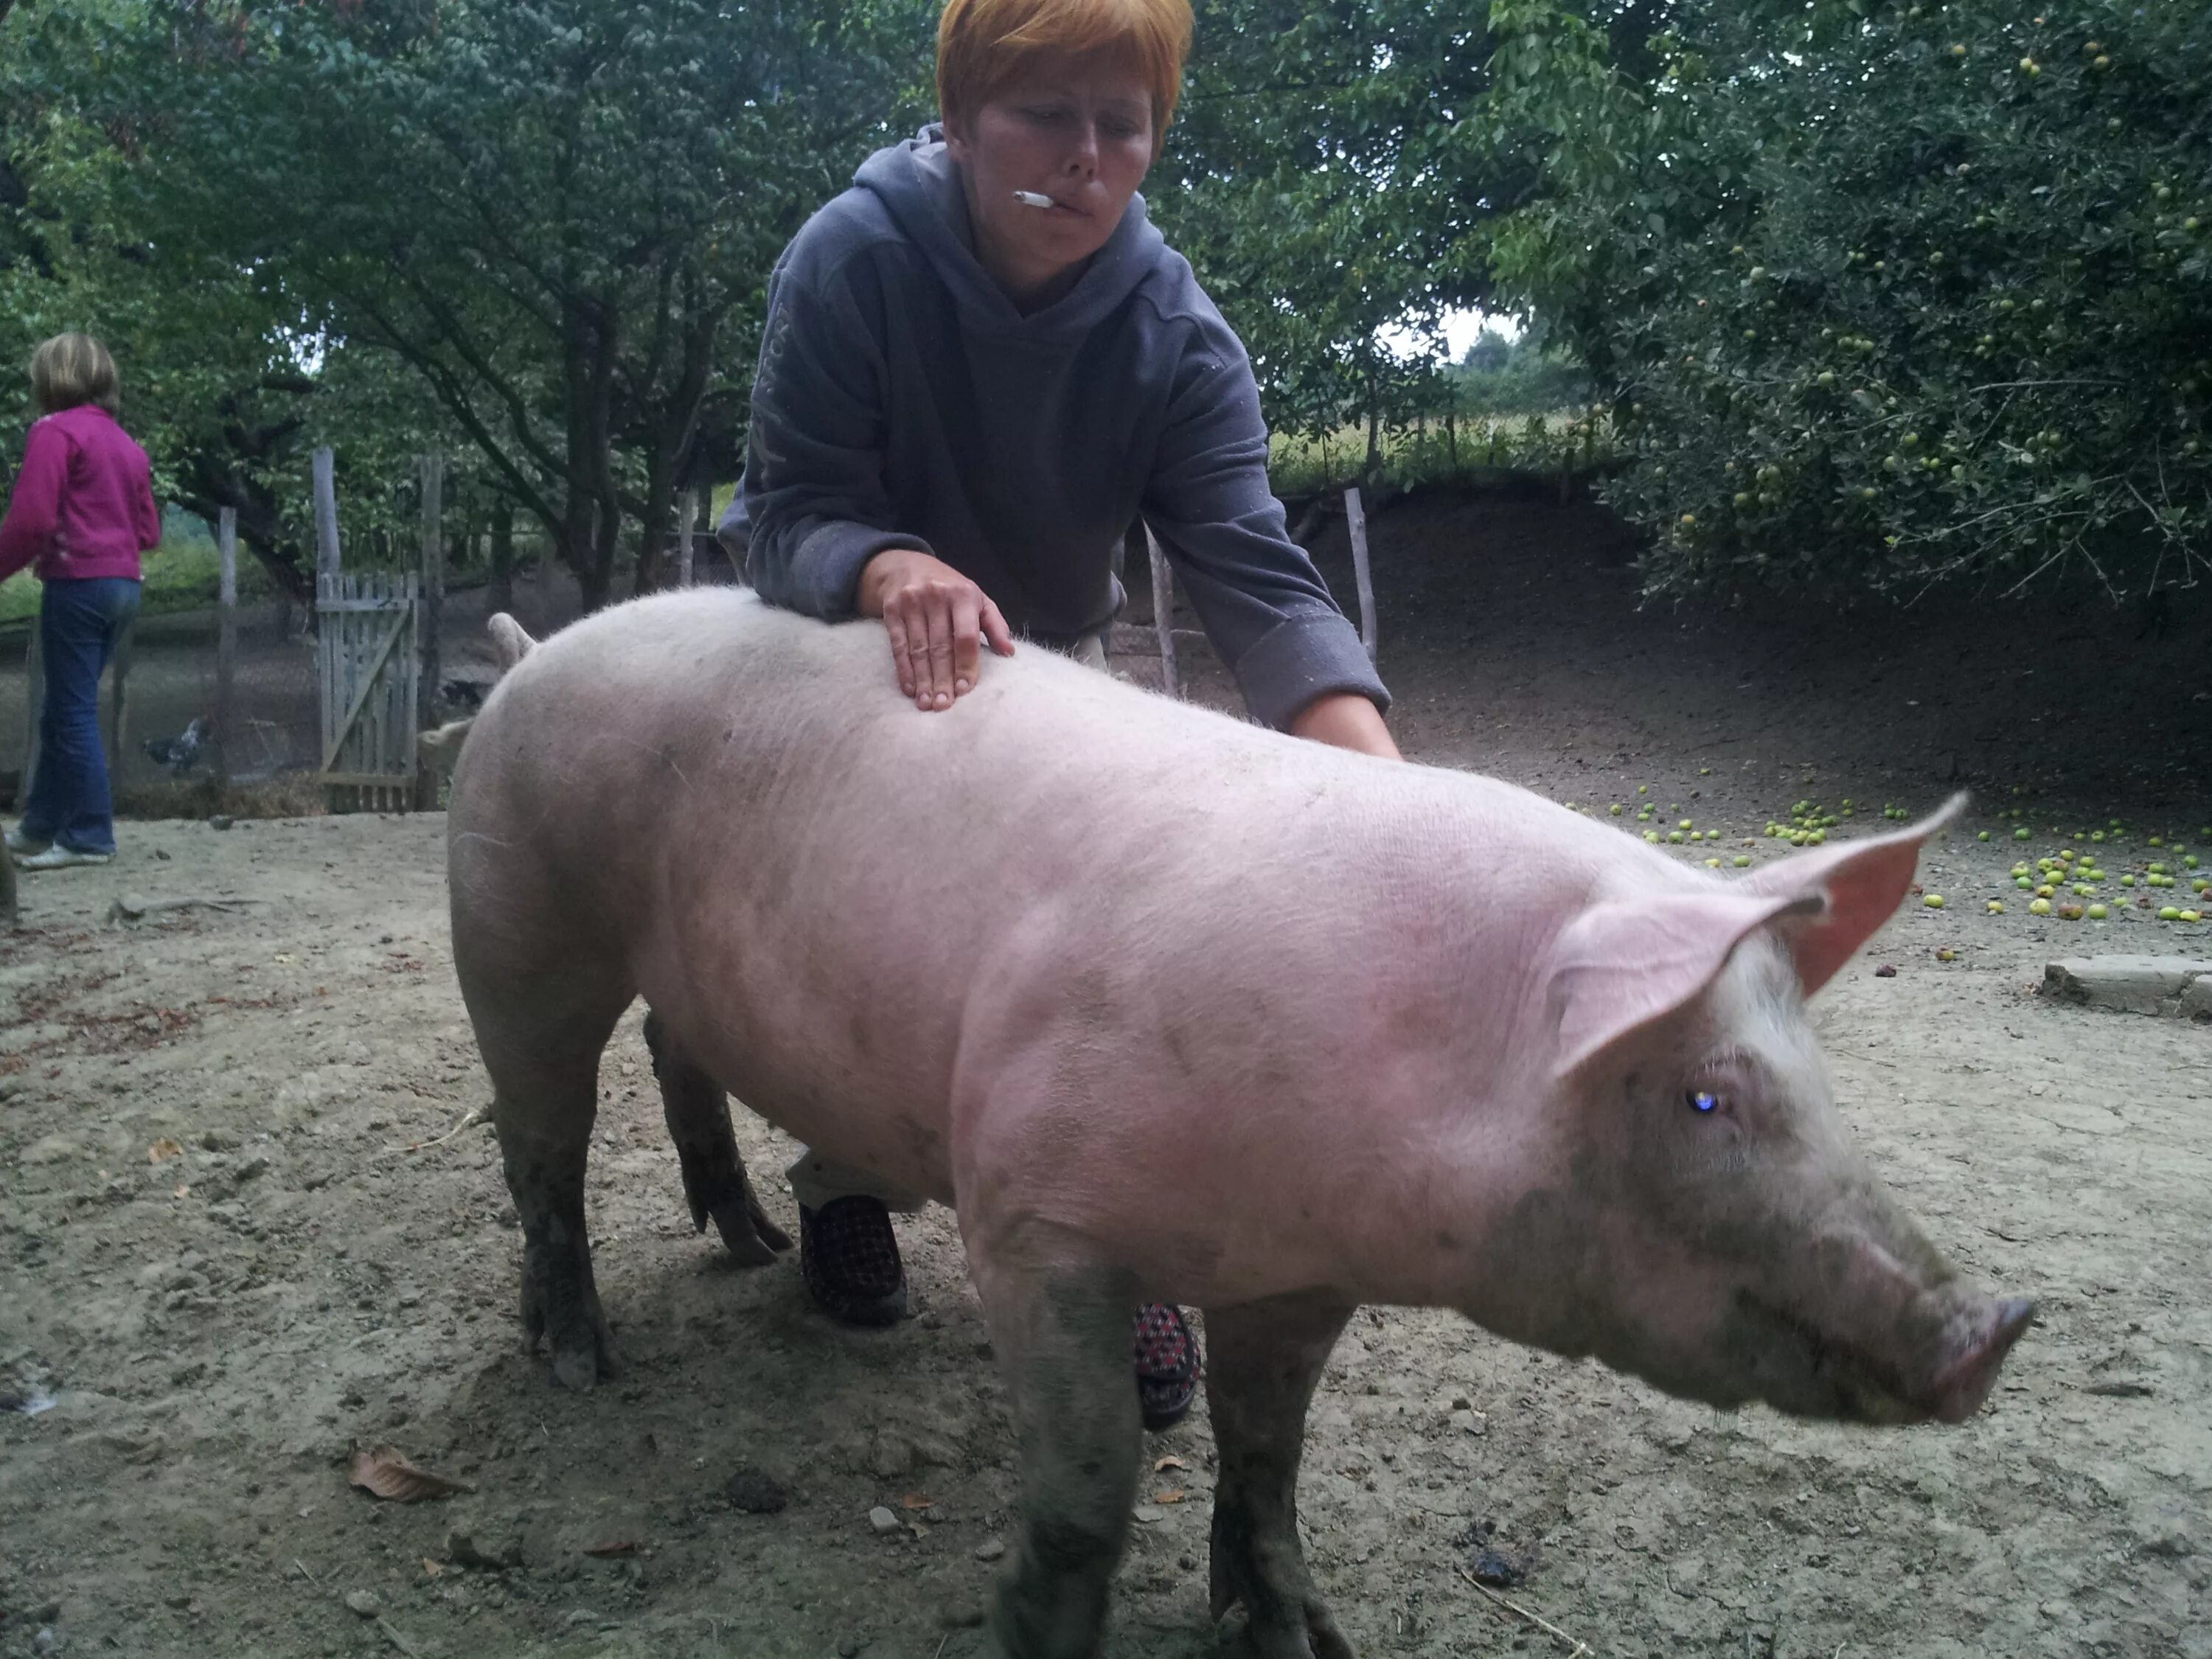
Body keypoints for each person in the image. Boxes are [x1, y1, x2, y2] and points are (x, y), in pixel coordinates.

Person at [722, 0, 1398, 1429]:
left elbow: (1256, 576)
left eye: (1122, 124)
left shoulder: (1173, 330)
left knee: (1115, 959)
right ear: (964, 121)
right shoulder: (851, 261)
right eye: (1046, 116)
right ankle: (849, 1176)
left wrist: (1392, 801)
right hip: (858, 660)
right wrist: (886, 563)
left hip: (1062, 661)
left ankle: (1133, 1241)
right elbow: (781, 516)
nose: (1083, 159)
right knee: (879, 954)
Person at [1, 333, 159, 871]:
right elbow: (150, 530)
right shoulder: (126, 445)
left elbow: (30, 521)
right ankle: (39, 828)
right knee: (63, 709)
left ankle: (90, 836)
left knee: (70, 714)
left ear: (53, 379)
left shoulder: (54, 433)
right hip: (124, 586)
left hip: (78, 585)